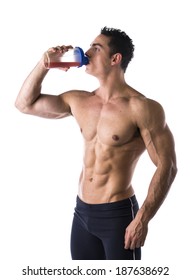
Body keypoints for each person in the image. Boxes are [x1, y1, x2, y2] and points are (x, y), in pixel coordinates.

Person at [15, 26, 177, 260]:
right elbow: (24, 104)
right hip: (81, 214)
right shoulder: (79, 100)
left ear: (115, 58)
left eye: (96, 48)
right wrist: (44, 64)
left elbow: (167, 165)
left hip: (118, 216)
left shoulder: (142, 107)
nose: (87, 52)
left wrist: (142, 218)